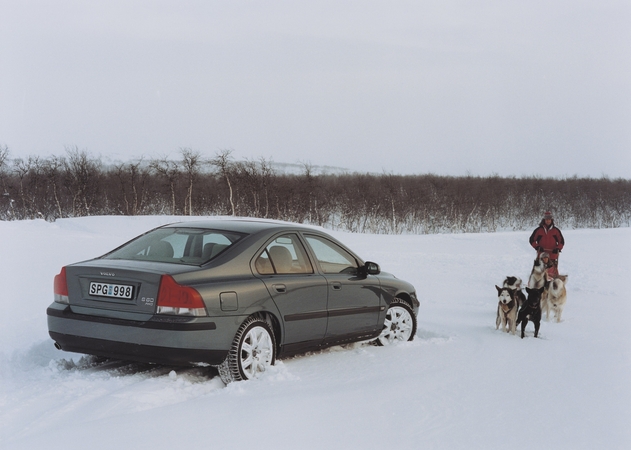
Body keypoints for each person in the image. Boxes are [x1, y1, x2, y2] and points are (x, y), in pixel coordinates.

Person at [529, 211, 564, 277]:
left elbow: (561, 241)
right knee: (538, 271)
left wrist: (558, 248)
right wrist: (537, 247)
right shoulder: (539, 230)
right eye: (546, 220)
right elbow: (532, 240)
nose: (548, 221)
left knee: (553, 272)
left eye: (549, 219)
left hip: (552, 255)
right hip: (541, 255)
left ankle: (555, 284)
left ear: (551, 220)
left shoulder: (556, 230)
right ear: (544, 220)